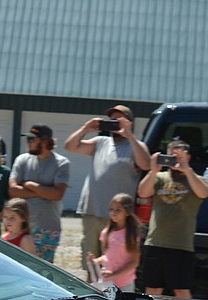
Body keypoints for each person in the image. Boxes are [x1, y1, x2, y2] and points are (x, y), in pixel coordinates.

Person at [63, 105, 151, 280]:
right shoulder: (100, 143)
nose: (113, 124)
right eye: (111, 120)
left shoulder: (136, 146)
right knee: (91, 266)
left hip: (117, 221)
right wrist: (86, 128)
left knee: (111, 266)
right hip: (92, 212)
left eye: (118, 120)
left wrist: (130, 136)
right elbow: (69, 146)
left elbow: (146, 165)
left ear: (129, 123)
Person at [138, 139, 208, 298]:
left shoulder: (196, 179)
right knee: (153, 289)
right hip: (155, 242)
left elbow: (203, 193)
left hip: (181, 245)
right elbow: (143, 192)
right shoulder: (160, 177)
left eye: (179, 157)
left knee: (181, 290)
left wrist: (186, 170)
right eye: (171, 156)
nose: (174, 161)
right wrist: (153, 170)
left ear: (188, 158)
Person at [9, 123, 70, 263]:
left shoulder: (61, 163)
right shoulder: (22, 160)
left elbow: (57, 195)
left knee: (43, 271)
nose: (28, 143)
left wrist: (29, 185)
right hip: (21, 227)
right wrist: (44, 191)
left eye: (32, 139)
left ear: (45, 141)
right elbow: (12, 191)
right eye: (28, 139)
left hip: (47, 228)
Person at [92, 193, 140, 291]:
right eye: (111, 209)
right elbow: (108, 256)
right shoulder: (106, 232)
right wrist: (96, 261)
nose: (113, 213)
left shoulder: (130, 234)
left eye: (118, 210)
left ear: (127, 212)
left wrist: (114, 274)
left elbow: (134, 262)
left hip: (124, 283)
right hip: (107, 283)